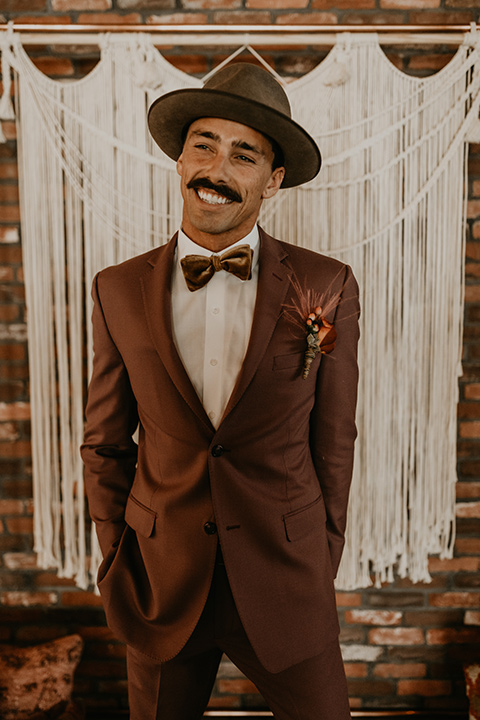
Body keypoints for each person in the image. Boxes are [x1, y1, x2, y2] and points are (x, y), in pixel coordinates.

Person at [81, 62, 360, 720]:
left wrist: (321, 560)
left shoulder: (326, 285)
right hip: (161, 581)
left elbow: (335, 440)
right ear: (180, 161)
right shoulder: (116, 288)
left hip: (286, 576)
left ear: (274, 178)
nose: (217, 168)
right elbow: (104, 442)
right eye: (204, 144)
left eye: (245, 153)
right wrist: (118, 558)